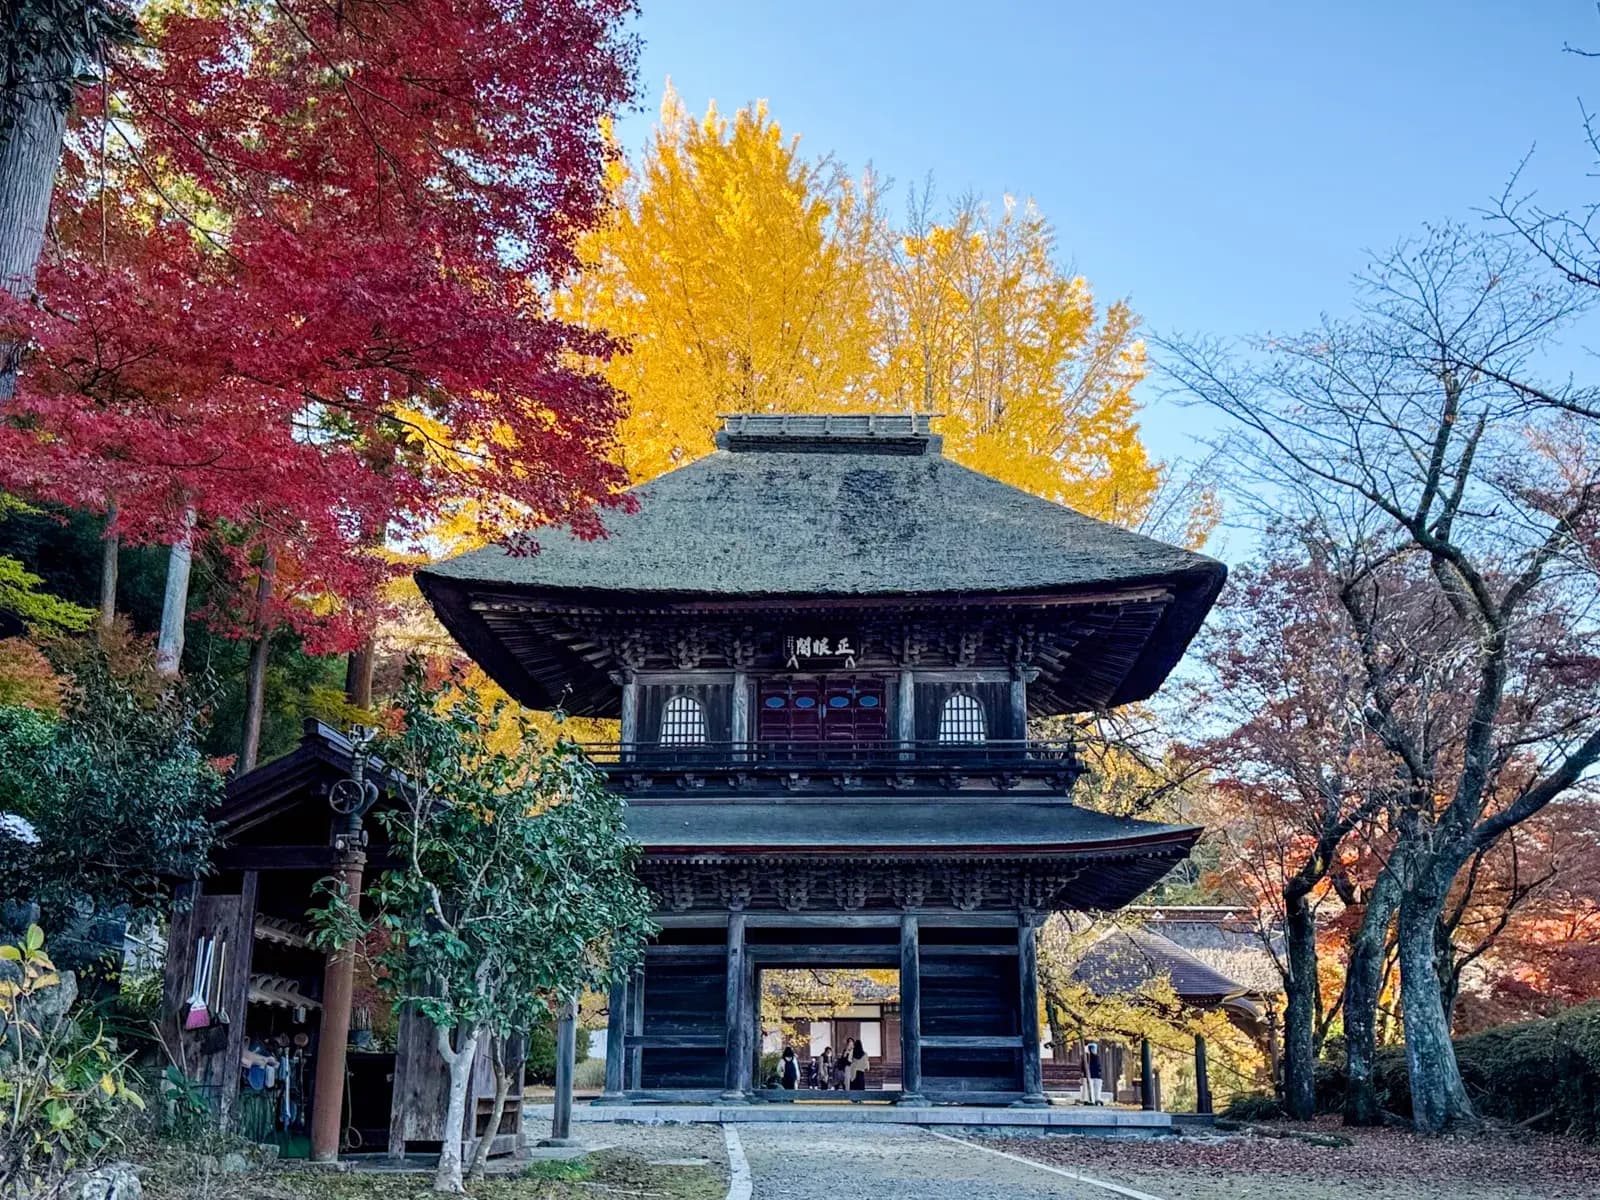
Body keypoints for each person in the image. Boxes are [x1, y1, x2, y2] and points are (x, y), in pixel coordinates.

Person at [1085, 1040, 1104, 1105]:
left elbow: (1098, 1066)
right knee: (1090, 1087)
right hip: (1089, 1075)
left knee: (1097, 1086)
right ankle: (1091, 1099)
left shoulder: (1096, 1057)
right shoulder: (1086, 1057)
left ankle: (1097, 1098)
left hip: (1096, 1075)